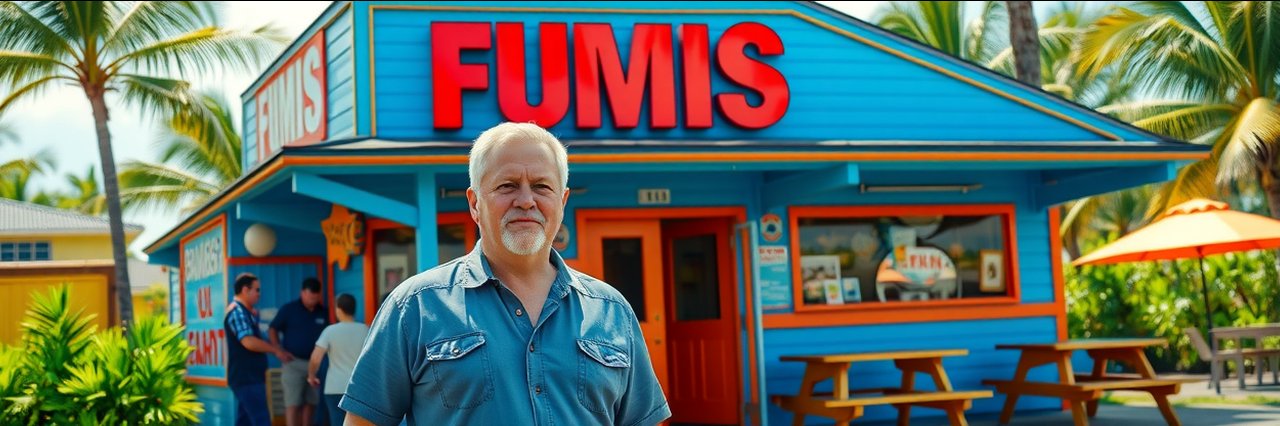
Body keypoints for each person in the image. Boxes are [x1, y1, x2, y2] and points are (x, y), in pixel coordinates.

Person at [339, 122, 670, 425]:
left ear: (563, 201)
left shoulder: (612, 311)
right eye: (508, 185)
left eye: (541, 186)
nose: (526, 201)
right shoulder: (414, 308)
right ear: (474, 203)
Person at [226, 273, 292, 426]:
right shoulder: (237, 311)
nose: (259, 294)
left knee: (245, 421)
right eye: (257, 290)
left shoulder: (246, 312)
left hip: (250, 377)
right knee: (261, 419)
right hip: (246, 378)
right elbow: (248, 341)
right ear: (245, 290)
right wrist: (276, 350)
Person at [269, 277, 329, 426]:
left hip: (315, 364)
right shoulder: (289, 309)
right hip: (293, 363)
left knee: (311, 403)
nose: (312, 300)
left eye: (316, 297)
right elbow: (273, 328)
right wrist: (278, 350)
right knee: (293, 403)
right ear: (302, 293)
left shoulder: (324, 312)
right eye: (310, 296)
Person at [308, 293, 369, 425]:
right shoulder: (365, 330)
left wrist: (311, 375)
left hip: (334, 387)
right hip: (359, 388)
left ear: (339, 309)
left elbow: (316, 357)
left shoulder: (330, 331)